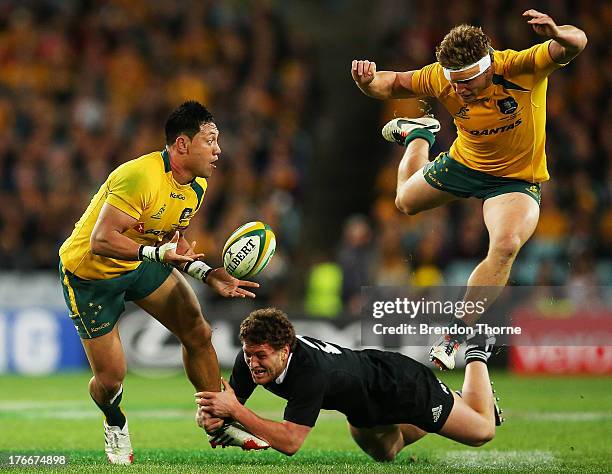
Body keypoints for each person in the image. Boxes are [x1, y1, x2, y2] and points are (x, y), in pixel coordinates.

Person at [350, 9, 587, 370]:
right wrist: (367, 83)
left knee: (506, 246)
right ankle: (419, 134)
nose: (458, 89)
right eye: (453, 81)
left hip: (515, 181)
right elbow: (393, 83)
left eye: (466, 82)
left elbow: (576, 42)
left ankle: (454, 335)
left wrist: (557, 31)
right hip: (465, 163)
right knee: (404, 202)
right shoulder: (442, 78)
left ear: (487, 68)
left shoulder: (521, 67)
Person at [58, 101, 266, 464]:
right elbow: (102, 239)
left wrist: (209, 274)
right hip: (90, 274)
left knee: (198, 332)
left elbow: (173, 241)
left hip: (141, 263)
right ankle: (114, 420)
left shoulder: (196, 185)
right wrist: (157, 255)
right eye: (210, 140)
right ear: (182, 145)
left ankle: (217, 422)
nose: (218, 150)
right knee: (110, 381)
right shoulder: (140, 175)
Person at [196, 308, 502, 460]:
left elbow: (290, 442)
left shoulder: (309, 371)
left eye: (260, 356)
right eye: (248, 354)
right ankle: (453, 403)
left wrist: (233, 410)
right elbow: (226, 403)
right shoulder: (250, 358)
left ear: (284, 350)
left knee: (482, 431)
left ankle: (477, 349)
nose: (252, 363)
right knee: (387, 453)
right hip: (362, 407)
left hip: (399, 386)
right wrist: (211, 416)